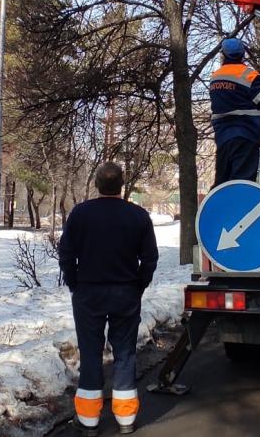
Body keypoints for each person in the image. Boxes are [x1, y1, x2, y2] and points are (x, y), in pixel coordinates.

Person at [58, 162, 159, 436]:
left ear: (97, 184)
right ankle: (126, 418)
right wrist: (138, 285)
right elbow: (150, 257)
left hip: (88, 293)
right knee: (125, 353)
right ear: (122, 185)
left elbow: (66, 252)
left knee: (90, 354)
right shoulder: (138, 215)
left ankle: (89, 420)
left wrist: (74, 283)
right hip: (126, 293)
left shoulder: (80, 214)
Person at [209, 38, 260, 185]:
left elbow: (232, 104)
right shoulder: (248, 76)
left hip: (223, 138)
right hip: (245, 135)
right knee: (242, 183)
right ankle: (241, 207)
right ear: (242, 55)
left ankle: (218, 207)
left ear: (223, 55)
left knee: (223, 182)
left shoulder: (215, 78)